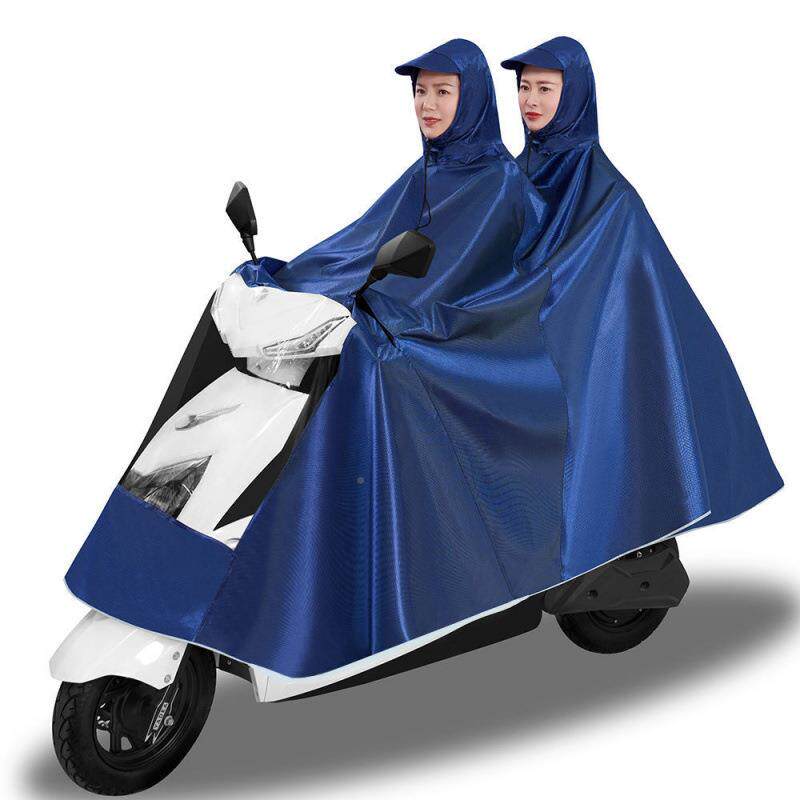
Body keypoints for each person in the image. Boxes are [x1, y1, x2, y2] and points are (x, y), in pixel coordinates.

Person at [67, 39, 571, 678]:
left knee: (369, 391)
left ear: (470, 98)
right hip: (397, 331)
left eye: (443, 92)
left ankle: (387, 586)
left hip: (459, 352)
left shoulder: (498, 185)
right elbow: (358, 247)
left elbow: (470, 286)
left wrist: (391, 320)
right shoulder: (426, 173)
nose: (427, 104)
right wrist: (282, 279)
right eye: (420, 92)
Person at [500, 37, 782, 574]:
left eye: (546, 88)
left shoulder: (610, 197)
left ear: (575, 94)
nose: (530, 100)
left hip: (575, 362)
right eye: (524, 87)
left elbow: (598, 295)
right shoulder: (513, 177)